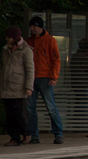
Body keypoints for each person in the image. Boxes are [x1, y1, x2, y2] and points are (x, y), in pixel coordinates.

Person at [27, 16, 64, 144]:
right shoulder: (29, 41)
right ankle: (33, 135)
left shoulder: (50, 40)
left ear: (40, 27)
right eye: (31, 26)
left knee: (51, 107)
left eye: (34, 26)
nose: (31, 29)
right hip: (31, 78)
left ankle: (58, 133)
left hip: (45, 77)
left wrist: (54, 76)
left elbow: (56, 59)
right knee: (30, 108)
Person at [0, 26, 34, 146]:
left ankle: (25, 132)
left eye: (8, 37)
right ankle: (15, 137)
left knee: (16, 111)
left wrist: (29, 87)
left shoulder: (26, 50)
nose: (6, 39)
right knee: (9, 113)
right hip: (6, 84)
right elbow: (4, 64)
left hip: (18, 86)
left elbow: (30, 69)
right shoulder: (5, 50)